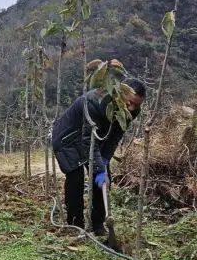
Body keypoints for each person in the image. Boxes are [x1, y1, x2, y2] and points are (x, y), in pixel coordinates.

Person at [49, 79, 146, 237]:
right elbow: (88, 142)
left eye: (137, 105)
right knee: (76, 177)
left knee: (104, 179)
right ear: (121, 94)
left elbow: (115, 136)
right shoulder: (95, 103)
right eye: (130, 103)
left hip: (94, 140)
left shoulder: (131, 111)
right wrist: (99, 169)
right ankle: (75, 224)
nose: (132, 108)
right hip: (68, 139)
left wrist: (105, 161)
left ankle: (98, 224)